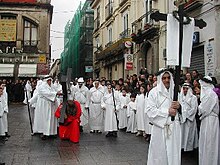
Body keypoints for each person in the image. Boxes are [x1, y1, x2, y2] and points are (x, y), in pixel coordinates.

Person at [146, 68, 182, 165]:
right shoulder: (153, 93)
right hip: (160, 129)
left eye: (168, 78)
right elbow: (150, 111)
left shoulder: (176, 93)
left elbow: (185, 110)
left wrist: (179, 107)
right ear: (160, 79)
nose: (167, 80)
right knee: (159, 155)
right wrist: (167, 112)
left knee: (173, 154)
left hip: (174, 129)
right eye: (164, 78)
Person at [198, 76, 219, 165]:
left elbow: (203, 109)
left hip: (210, 121)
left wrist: (198, 107)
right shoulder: (210, 94)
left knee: (209, 144)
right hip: (207, 120)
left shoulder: (210, 94)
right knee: (206, 143)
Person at [33, 76, 61, 140]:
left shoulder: (52, 86)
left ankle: (52, 132)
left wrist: (58, 92)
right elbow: (46, 93)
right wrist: (56, 93)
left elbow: (56, 91)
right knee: (45, 118)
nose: (49, 82)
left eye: (50, 80)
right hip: (45, 105)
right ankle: (44, 133)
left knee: (52, 118)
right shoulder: (41, 87)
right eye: (48, 81)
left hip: (52, 105)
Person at [180, 83, 198, 151]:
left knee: (189, 134)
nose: (185, 90)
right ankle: (182, 147)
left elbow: (194, 109)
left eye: (186, 89)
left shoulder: (193, 98)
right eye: (184, 89)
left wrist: (186, 115)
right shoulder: (180, 97)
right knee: (182, 134)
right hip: (182, 119)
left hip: (189, 119)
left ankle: (189, 148)